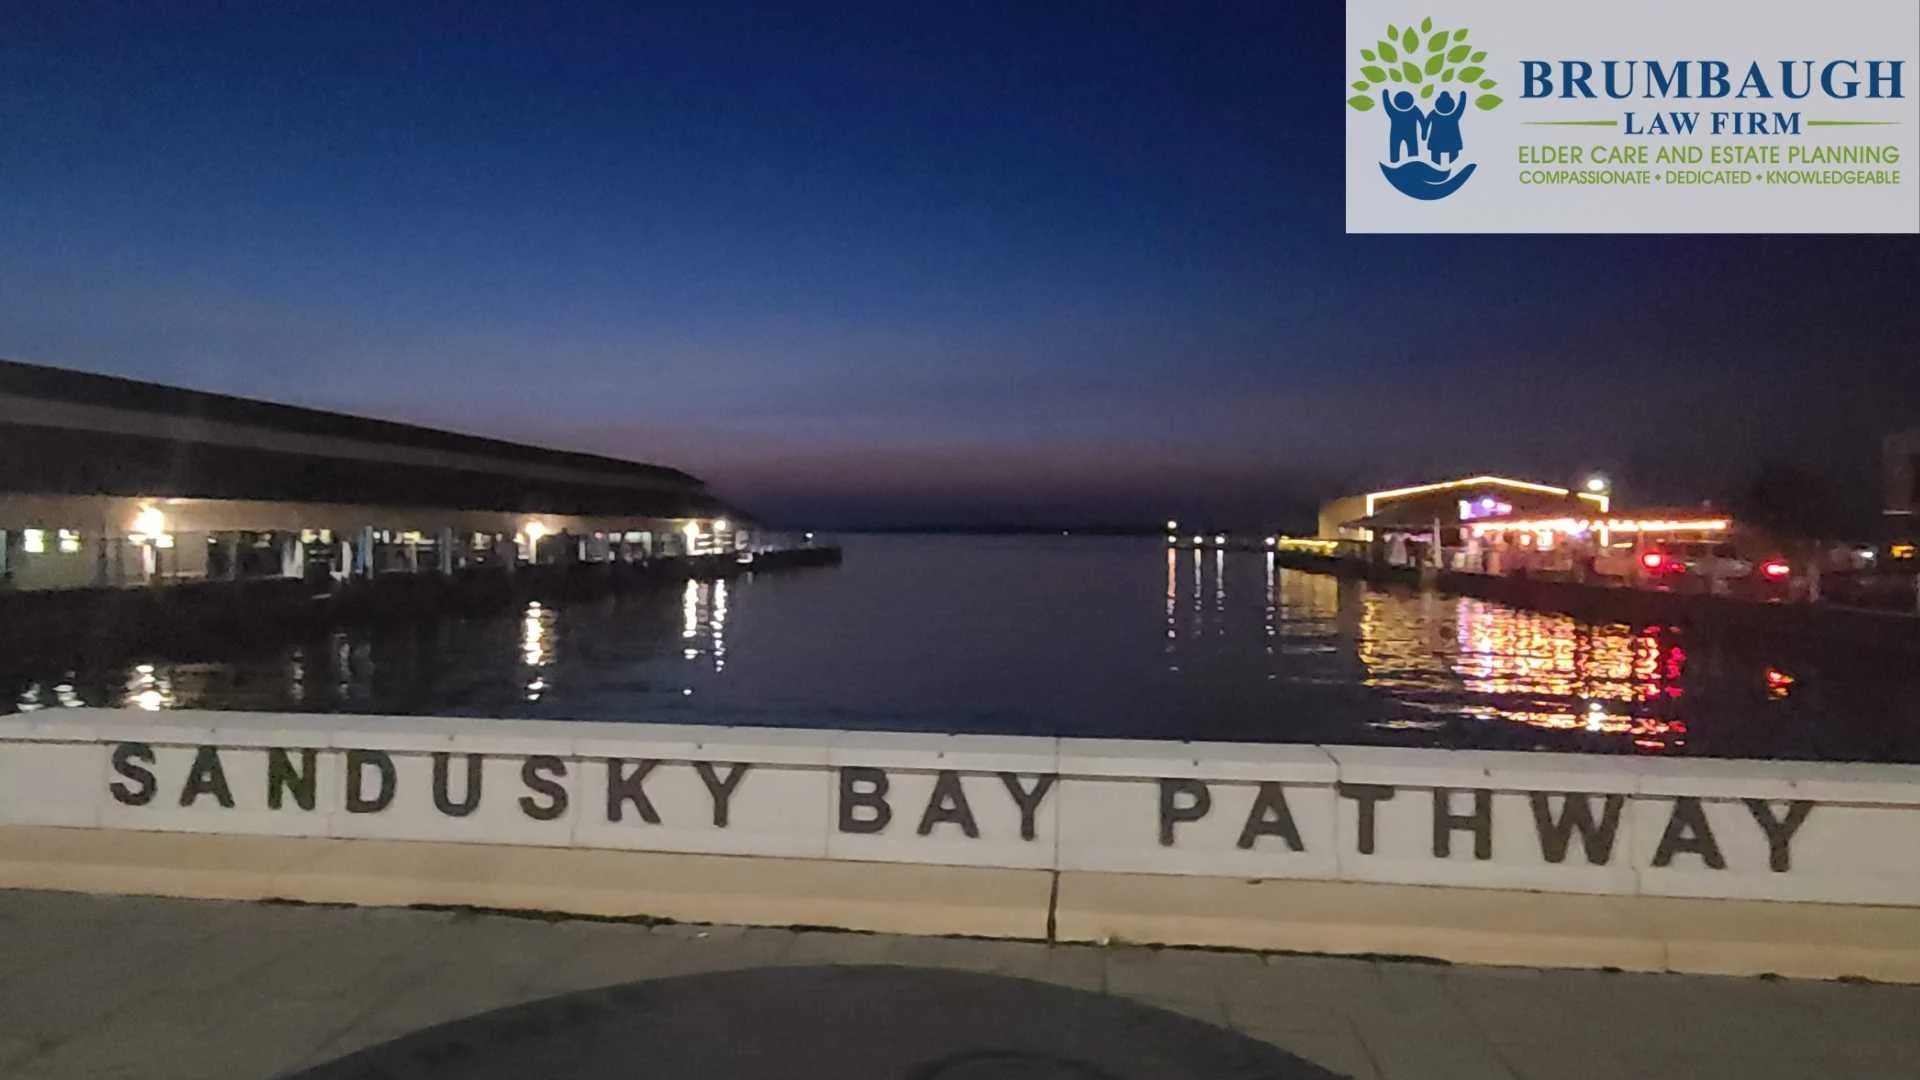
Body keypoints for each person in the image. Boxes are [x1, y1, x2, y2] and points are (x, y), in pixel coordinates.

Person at [1381, 89, 1424, 163]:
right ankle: (1402, 162)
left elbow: (1387, 105)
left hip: (1398, 134)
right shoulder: (1414, 110)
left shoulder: (1394, 111)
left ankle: (1395, 162)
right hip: (1409, 134)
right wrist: (1423, 133)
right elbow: (1422, 121)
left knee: (1396, 149)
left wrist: (1385, 95)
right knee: (1410, 150)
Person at [1426, 91, 1465, 166]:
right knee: (1451, 158)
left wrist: (1424, 134)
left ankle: (1445, 168)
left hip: (1438, 142)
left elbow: (1426, 123)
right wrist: (1463, 97)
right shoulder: (1454, 115)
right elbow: (1461, 107)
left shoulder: (1434, 114)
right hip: (1450, 142)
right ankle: (1447, 168)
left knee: (1436, 158)